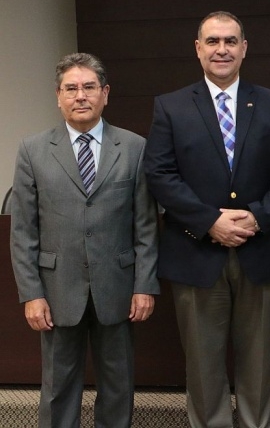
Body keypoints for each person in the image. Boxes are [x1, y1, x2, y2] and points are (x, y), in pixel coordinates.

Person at [143, 11, 270, 428]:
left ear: (244, 48)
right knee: (202, 363)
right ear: (198, 49)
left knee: (258, 360)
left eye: (230, 41)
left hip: (260, 250)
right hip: (195, 252)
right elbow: (160, 174)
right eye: (213, 41)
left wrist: (257, 217)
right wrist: (209, 221)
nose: (222, 50)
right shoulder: (171, 106)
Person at [9, 53, 159, 428]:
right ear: (58, 96)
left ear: (105, 93)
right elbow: (23, 231)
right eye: (71, 88)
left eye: (89, 87)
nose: (80, 96)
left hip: (118, 287)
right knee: (57, 389)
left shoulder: (134, 147)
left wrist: (144, 285)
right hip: (56, 289)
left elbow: (145, 225)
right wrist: (31, 294)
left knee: (118, 386)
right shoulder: (33, 150)